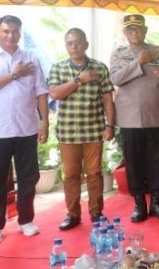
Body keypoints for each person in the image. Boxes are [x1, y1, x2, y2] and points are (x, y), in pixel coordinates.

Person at [109, 14, 159, 223]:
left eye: (138, 29)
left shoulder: (158, 52)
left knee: (156, 162)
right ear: (124, 33)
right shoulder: (118, 54)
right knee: (134, 163)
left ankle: (157, 204)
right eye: (130, 29)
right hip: (129, 119)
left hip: (156, 117)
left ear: (145, 30)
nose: (134, 33)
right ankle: (139, 205)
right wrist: (138, 63)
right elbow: (115, 78)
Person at [48, 28, 115, 231]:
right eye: (70, 43)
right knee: (71, 175)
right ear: (66, 46)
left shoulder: (100, 68)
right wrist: (79, 80)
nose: (74, 47)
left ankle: (96, 213)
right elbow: (55, 94)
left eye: (78, 42)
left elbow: (107, 100)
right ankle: (73, 214)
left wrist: (110, 125)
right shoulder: (58, 68)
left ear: (86, 45)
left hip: (94, 130)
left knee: (94, 173)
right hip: (68, 133)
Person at [0, 16, 49, 244]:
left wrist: (44, 121)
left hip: (27, 128)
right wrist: (14, 74)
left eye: (15, 31)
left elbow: (41, 91)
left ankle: (26, 220)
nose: (10, 35)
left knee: (28, 177)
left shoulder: (31, 58)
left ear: (20, 32)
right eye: (6, 31)